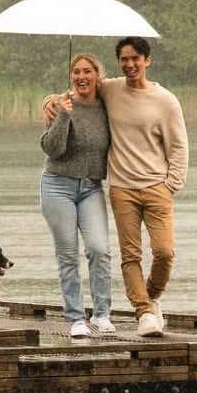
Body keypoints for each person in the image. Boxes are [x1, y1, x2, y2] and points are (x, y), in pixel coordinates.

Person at [41, 36, 188, 338]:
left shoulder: (142, 98)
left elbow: (178, 146)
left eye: (136, 58)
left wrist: (172, 183)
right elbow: (55, 142)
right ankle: (99, 316)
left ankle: (127, 306)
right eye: (125, 58)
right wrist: (53, 104)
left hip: (124, 186)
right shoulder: (86, 98)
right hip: (90, 187)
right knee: (90, 254)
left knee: (139, 251)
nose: (131, 64)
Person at [39, 52, 115, 339]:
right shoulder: (61, 105)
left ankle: (102, 314)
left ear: (97, 75)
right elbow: (52, 149)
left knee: (99, 249)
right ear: (71, 76)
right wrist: (62, 115)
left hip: (91, 187)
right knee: (68, 255)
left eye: (87, 71)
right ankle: (75, 318)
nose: (82, 76)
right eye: (76, 72)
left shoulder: (106, 105)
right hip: (57, 185)